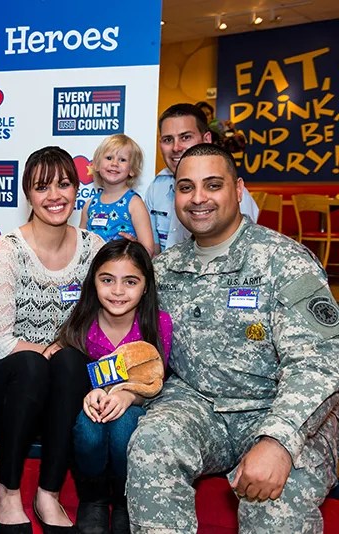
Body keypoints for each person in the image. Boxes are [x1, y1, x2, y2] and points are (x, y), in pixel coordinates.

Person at [127, 143, 339, 533]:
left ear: (238, 190)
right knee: (151, 444)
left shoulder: (283, 261)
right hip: (196, 406)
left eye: (212, 185)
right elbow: (133, 342)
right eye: (186, 187)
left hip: (277, 411)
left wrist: (278, 441)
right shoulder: (163, 270)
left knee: (272, 506)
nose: (198, 198)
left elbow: (321, 362)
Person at [0, 146, 105, 532]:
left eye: (64, 184)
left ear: (76, 188)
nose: (55, 196)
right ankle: (7, 489)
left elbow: (97, 330)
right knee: (35, 364)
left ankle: (48, 492)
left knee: (70, 360)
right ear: (27, 194)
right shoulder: (5, 251)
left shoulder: (93, 249)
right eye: (42, 187)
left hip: (64, 381)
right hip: (6, 381)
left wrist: (62, 351)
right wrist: (48, 351)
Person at [53, 239, 172, 534]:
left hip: (137, 408)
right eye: (107, 280)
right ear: (94, 282)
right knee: (89, 427)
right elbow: (69, 375)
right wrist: (90, 393)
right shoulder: (83, 324)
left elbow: (156, 379)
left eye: (130, 282)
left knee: (124, 425)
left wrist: (129, 395)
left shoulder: (158, 324)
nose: (118, 291)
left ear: (145, 286)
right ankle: (92, 498)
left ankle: (122, 500)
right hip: (92, 408)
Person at [144, 103, 258, 254]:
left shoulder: (232, 194)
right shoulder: (157, 187)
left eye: (185, 137)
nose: (176, 147)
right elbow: (153, 250)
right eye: (168, 140)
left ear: (206, 138)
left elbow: (245, 254)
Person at [80, 134, 155, 256]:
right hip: (93, 271)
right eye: (109, 158)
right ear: (97, 165)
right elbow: (79, 244)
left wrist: (134, 247)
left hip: (123, 270)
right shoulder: (90, 205)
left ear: (132, 169)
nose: (114, 163)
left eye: (122, 160)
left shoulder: (134, 203)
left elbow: (148, 250)